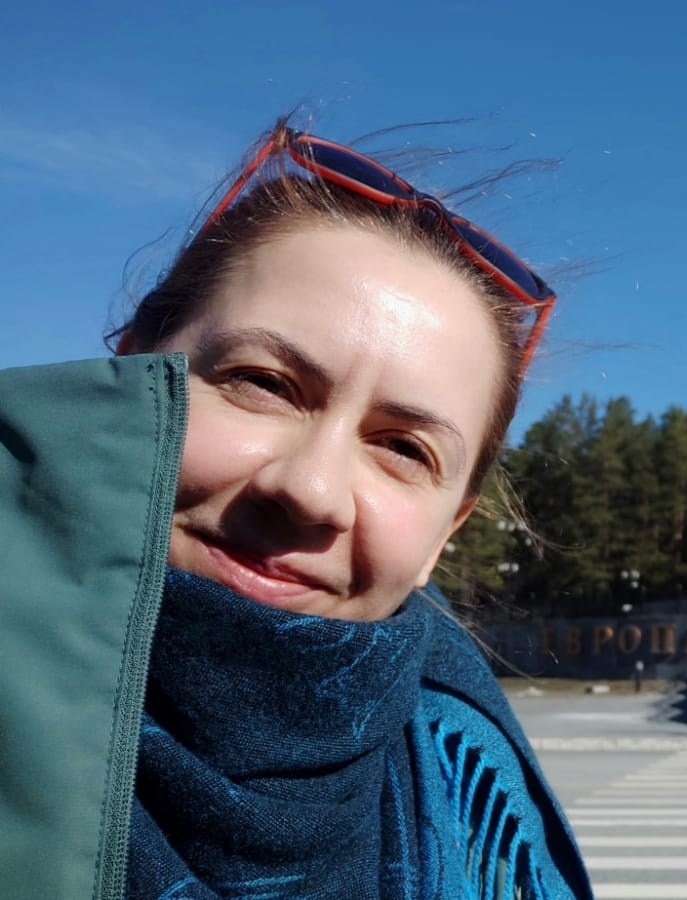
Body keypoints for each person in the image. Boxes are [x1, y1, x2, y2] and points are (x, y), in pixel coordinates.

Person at [0, 119, 592, 898]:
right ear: (135, 367)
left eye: (403, 448)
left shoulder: (482, 819)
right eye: (263, 384)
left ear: (444, 537)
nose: (310, 490)